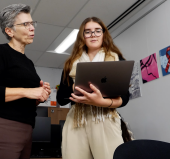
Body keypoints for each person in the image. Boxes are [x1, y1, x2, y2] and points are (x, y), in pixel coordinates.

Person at [0, 4, 51, 159]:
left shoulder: (28, 63)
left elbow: (22, 100)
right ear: (9, 31)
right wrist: (27, 91)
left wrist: (39, 96)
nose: (32, 28)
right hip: (2, 126)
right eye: (25, 24)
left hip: (26, 128)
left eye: (32, 23)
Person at [56, 17, 132, 159]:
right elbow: (61, 98)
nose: (93, 35)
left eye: (97, 31)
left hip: (105, 118)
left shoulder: (117, 60)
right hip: (77, 121)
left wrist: (102, 102)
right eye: (88, 32)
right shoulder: (70, 64)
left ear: (104, 34)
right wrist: (77, 85)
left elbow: (125, 97)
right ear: (82, 36)